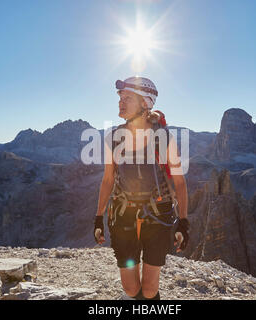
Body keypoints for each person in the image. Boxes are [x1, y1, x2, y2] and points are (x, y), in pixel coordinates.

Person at [93, 76, 189, 300]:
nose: (120, 102)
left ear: (145, 103)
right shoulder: (114, 137)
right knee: (130, 288)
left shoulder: (163, 138)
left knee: (149, 289)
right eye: (120, 97)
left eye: (127, 98)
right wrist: (98, 217)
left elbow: (180, 182)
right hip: (123, 214)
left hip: (158, 215)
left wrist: (184, 223)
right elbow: (108, 180)